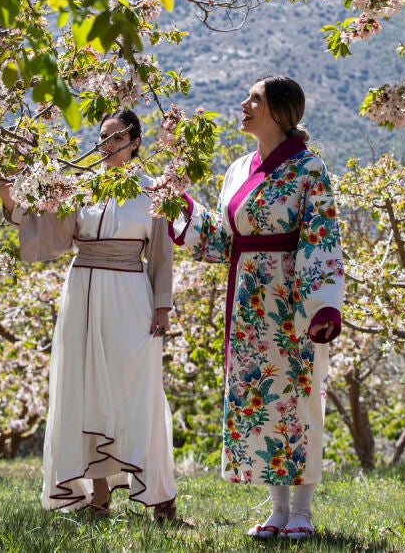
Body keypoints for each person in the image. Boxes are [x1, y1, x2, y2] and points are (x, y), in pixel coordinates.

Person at [169, 75, 344, 542]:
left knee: (299, 399)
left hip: (292, 300)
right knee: (259, 399)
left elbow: (321, 234)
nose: (243, 104)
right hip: (247, 302)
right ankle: (277, 509)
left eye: (255, 99)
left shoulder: (309, 169)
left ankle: (303, 510)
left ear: (280, 112)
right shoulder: (238, 168)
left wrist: (324, 304)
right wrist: (183, 211)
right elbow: (226, 240)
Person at [0, 109, 178, 521]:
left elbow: (162, 257)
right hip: (81, 291)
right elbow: (50, 231)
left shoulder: (155, 191)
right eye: (102, 137)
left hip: (131, 294)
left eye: (116, 138)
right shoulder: (80, 187)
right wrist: (11, 197)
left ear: (135, 143)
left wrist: (162, 306)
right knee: (85, 391)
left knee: (138, 390)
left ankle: (159, 495)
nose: (106, 145)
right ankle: (98, 496)